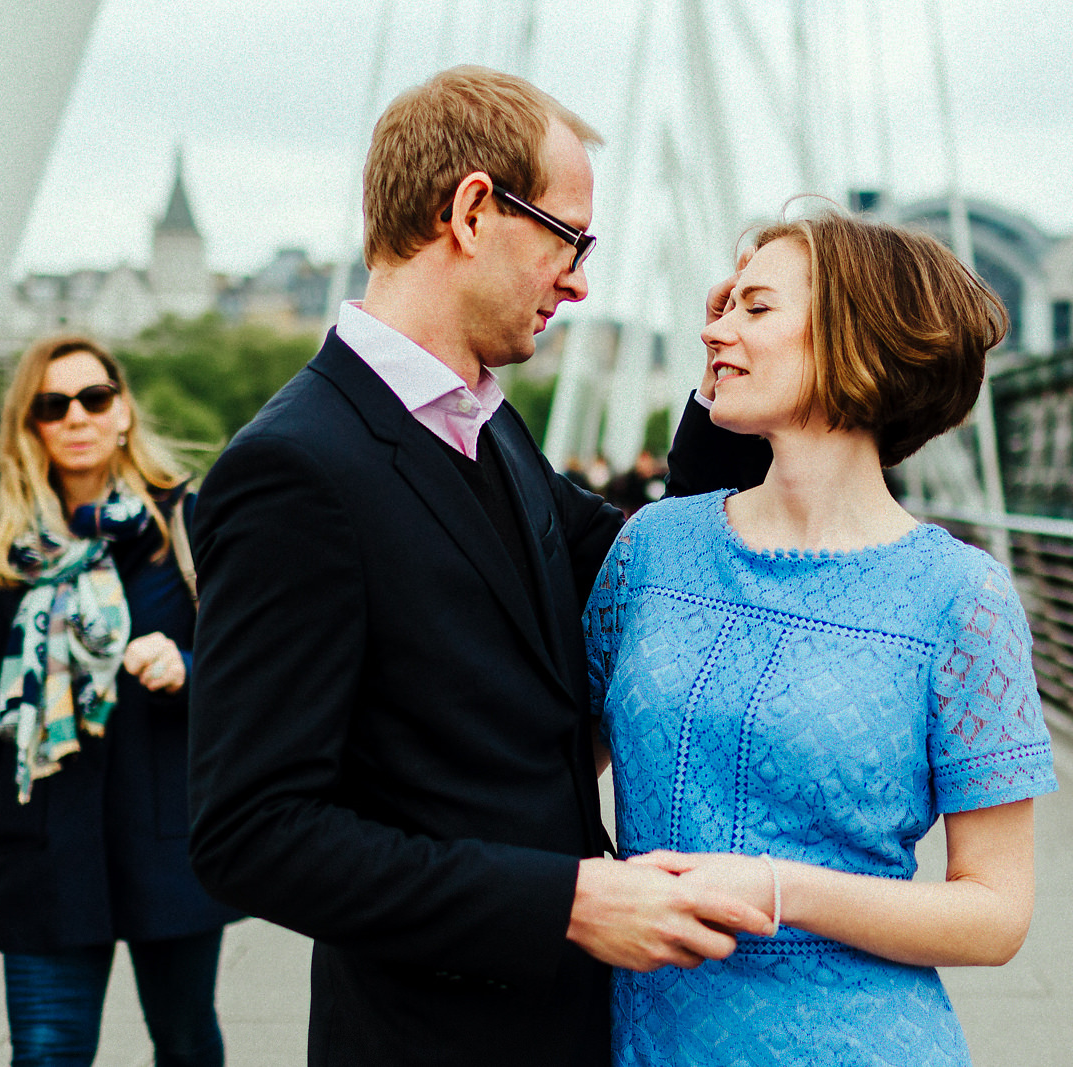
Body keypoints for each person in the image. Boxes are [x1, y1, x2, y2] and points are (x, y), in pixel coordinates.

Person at [186, 66, 775, 1067]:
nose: (582, 279)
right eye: (570, 237)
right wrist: (567, 900)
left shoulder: (488, 427)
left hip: (570, 1022)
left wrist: (724, 380)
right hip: (426, 1034)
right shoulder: (292, 467)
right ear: (471, 210)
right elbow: (250, 832)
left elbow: (645, 552)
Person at [583, 209, 1058, 1064]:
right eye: (722, 307)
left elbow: (995, 912)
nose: (712, 327)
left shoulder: (958, 597)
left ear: (857, 342)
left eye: (753, 309)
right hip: (642, 1037)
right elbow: (553, 774)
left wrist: (776, 888)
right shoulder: (650, 548)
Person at [0, 333, 237, 1067]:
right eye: (53, 405)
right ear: (31, 427)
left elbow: (251, 662)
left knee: (184, 1041)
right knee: (46, 1053)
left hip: (164, 831)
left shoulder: (186, 521)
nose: (76, 416)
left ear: (122, 411)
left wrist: (185, 662)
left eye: (94, 397)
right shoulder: (10, 545)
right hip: (46, 837)